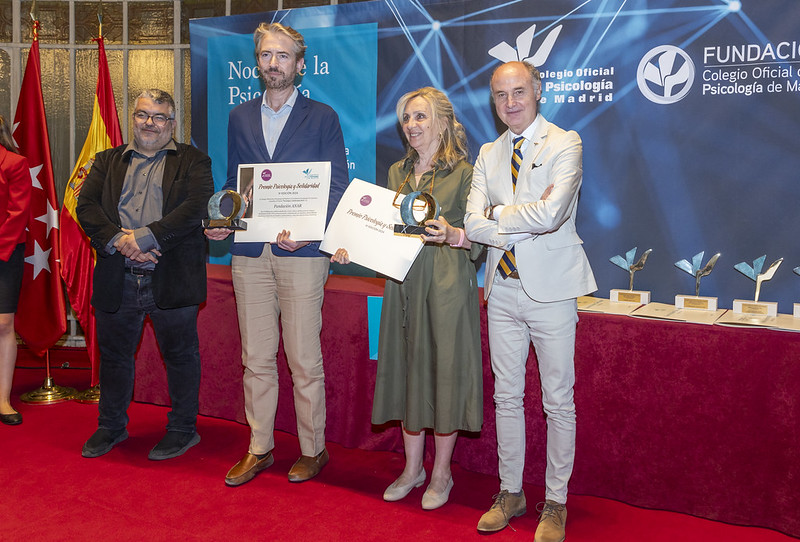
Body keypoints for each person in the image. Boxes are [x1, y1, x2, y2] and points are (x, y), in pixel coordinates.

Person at [205, 23, 348, 486]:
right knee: (257, 358)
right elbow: (234, 184)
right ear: (258, 62)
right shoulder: (239, 117)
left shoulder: (323, 116)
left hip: (303, 254)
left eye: (283, 56)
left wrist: (308, 235)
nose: (274, 63)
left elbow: (336, 187)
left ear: (300, 65)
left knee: (304, 358)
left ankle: (313, 449)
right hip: (248, 251)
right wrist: (223, 217)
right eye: (266, 55)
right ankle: (259, 447)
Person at [331, 87, 482, 510]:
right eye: (406, 119)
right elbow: (381, 234)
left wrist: (454, 235)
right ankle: (412, 468)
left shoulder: (466, 173)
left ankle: (441, 473)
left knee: (445, 373)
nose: (412, 126)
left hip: (448, 282)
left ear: (442, 121)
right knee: (407, 369)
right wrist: (351, 249)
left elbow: (482, 240)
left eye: (420, 117)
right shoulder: (397, 171)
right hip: (401, 283)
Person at [464, 61, 596, 541]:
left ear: (537, 91)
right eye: (501, 95)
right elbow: (472, 221)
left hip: (553, 291)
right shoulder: (487, 153)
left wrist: (497, 213)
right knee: (506, 397)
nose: (510, 102)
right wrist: (515, 214)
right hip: (501, 288)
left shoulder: (566, 142)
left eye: (519, 91)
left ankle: (556, 501)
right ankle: (511, 492)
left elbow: (552, 213)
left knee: (559, 401)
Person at [77, 89, 214, 460]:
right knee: (115, 356)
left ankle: (183, 429)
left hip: (171, 274)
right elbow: (85, 206)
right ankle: (111, 426)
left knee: (181, 356)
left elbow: (194, 209)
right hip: (117, 274)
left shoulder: (194, 161)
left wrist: (147, 236)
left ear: (171, 122)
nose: (149, 123)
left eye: (158, 117)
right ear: (132, 118)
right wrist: (122, 241)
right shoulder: (106, 161)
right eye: (142, 115)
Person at [0, 115, 32, 426]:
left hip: (4, 252)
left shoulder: (14, 163)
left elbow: (18, 212)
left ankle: (3, 398)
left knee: (3, 324)